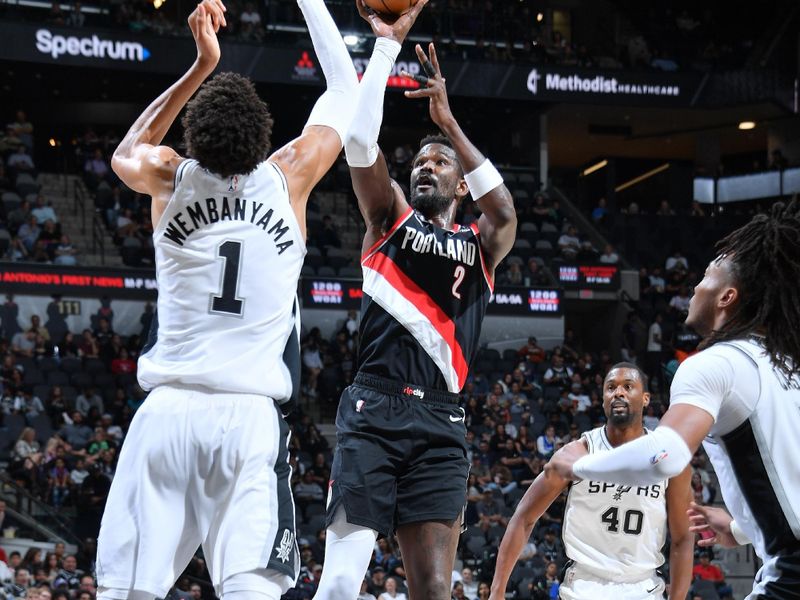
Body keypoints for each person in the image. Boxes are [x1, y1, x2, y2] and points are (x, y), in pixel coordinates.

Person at [94, 0, 359, 598]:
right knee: (250, 590)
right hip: (247, 420)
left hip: (166, 412)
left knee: (127, 591)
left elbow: (128, 149)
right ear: (264, 135)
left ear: (195, 139)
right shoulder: (290, 175)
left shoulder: (170, 177)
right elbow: (345, 85)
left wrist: (200, 65)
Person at [313, 4, 516, 600]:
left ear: (460, 184)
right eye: (419, 161)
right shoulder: (389, 219)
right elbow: (357, 137)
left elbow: (504, 210)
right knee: (342, 582)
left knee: (432, 589)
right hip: (371, 413)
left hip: (441, 424)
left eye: (439, 163)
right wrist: (386, 48)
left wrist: (448, 125)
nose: (425, 166)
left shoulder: (482, 244)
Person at [547, 201, 800, 598]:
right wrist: (741, 527)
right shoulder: (785, 366)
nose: (695, 287)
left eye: (705, 277)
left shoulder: (715, 363)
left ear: (726, 297)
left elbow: (665, 454)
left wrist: (582, 464)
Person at [490, 364, 694, 600]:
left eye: (628, 386)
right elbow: (524, 517)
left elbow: (683, 537)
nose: (618, 392)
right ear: (604, 400)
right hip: (585, 585)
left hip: (643, 586)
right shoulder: (577, 453)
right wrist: (497, 591)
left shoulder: (666, 459)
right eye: (610, 388)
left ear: (646, 398)